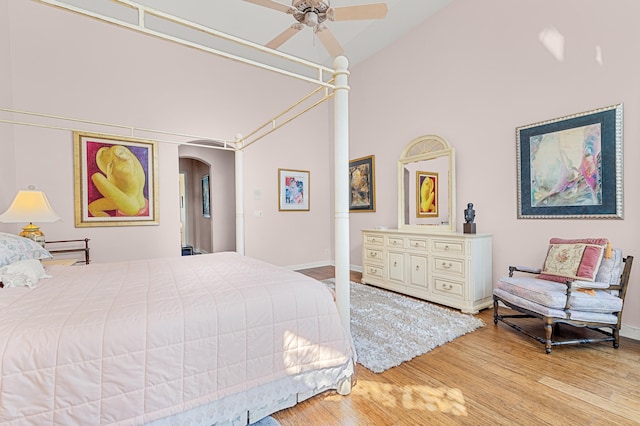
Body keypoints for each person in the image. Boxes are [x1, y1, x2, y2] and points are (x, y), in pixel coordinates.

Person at [88, 145, 148, 217]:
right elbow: (116, 190)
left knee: (96, 176)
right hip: (136, 202)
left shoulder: (119, 165)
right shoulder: (126, 161)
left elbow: (114, 188)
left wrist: (110, 174)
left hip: (132, 205)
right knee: (92, 207)